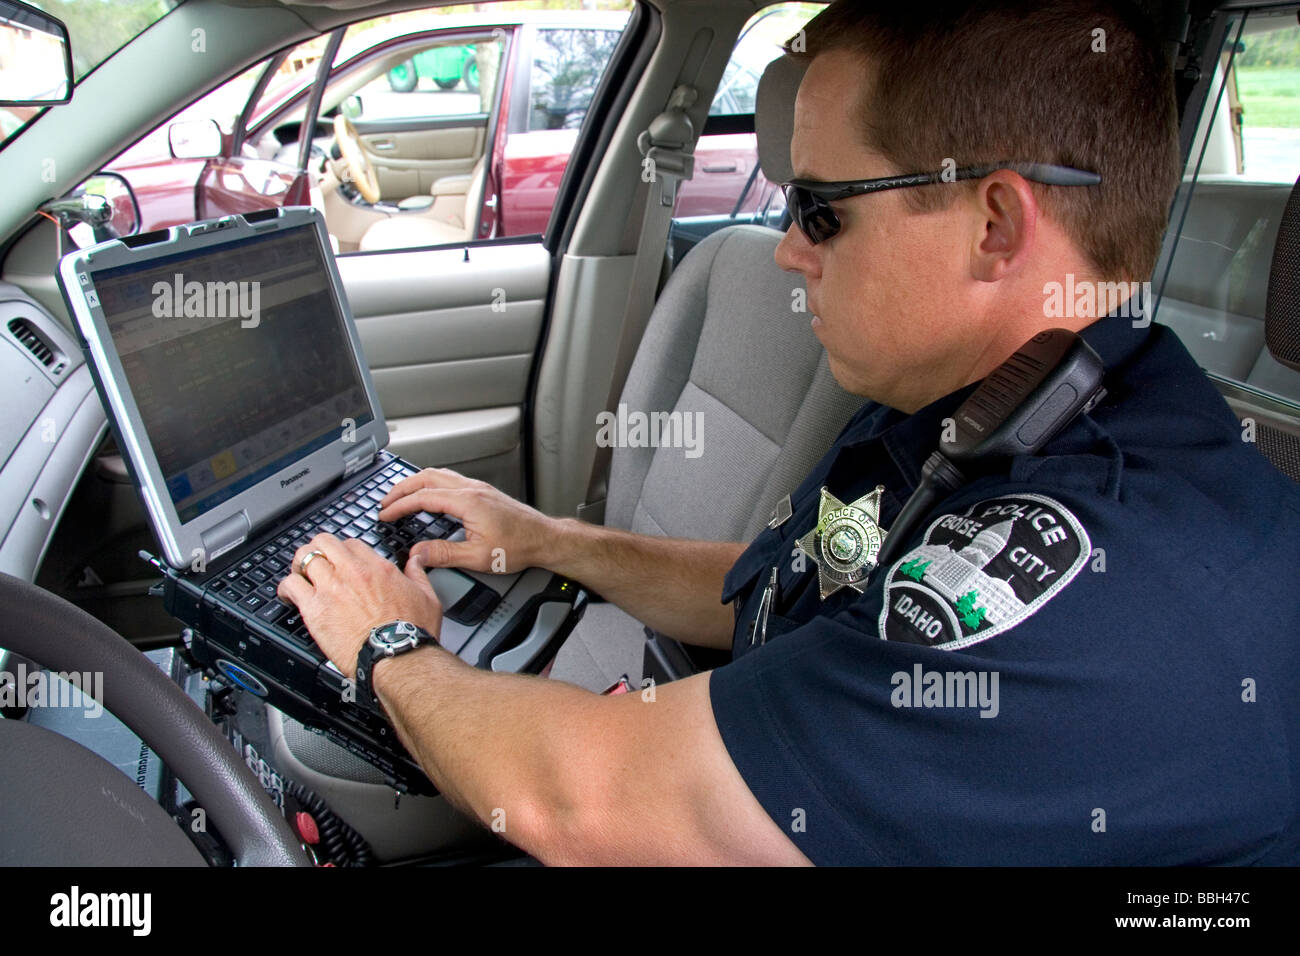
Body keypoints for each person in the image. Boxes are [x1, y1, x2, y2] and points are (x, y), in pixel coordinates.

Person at [276, 0, 1300, 865]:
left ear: (995, 225)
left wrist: (388, 641)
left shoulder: (1086, 587)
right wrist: (550, 538)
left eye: (817, 208)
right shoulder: (993, 409)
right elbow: (787, 579)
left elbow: (576, 802)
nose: (784, 254)